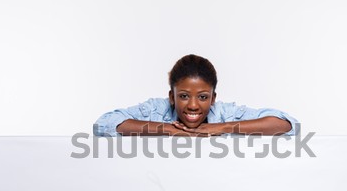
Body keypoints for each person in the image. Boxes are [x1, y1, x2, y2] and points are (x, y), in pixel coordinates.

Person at [94, 54, 298, 136]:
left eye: (202, 97)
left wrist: (222, 127)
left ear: (213, 98)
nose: (193, 105)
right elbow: (104, 124)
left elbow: (288, 125)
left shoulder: (225, 114)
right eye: (183, 96)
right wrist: (169, 130)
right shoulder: (156, 109)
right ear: (171, 97)